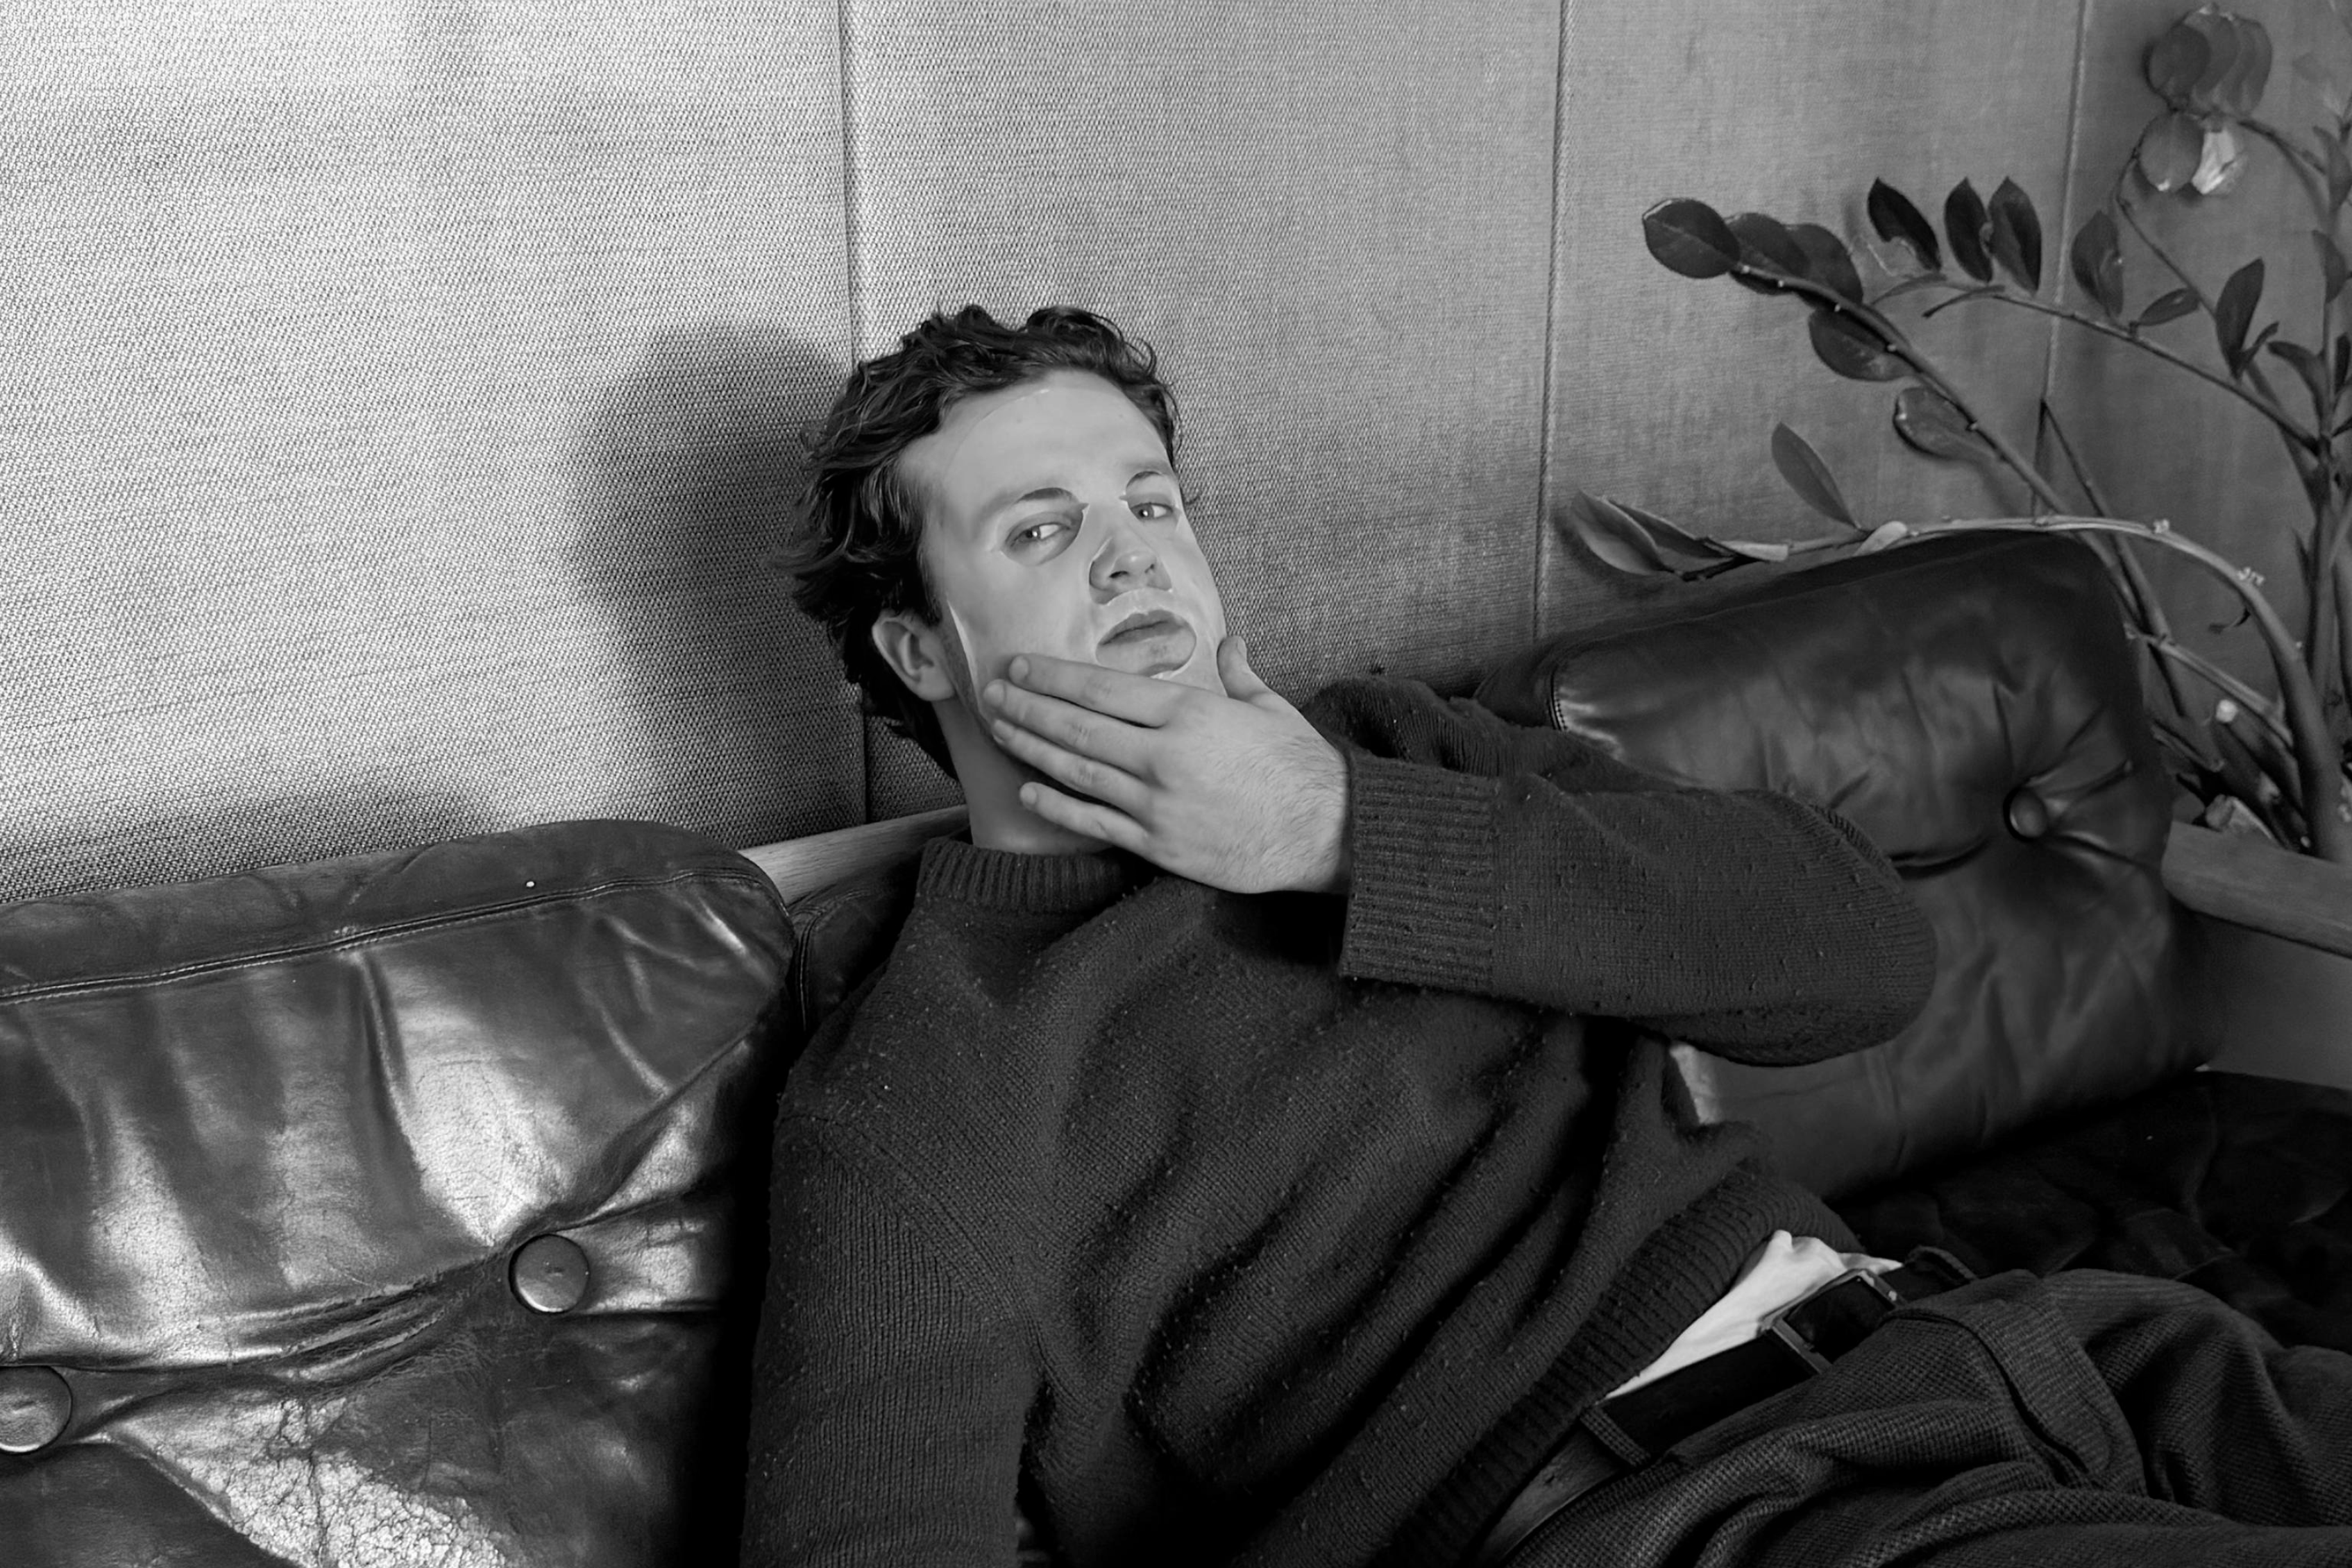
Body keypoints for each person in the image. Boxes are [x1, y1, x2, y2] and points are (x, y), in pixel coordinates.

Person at [744, 305, 2352, 1567]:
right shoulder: (924, 1081)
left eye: (1149, 499)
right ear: (920, 648)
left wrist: (1338, 832)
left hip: (2020, 1345)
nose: (1133, 552)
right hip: (1702, 1508)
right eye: (1039, 530)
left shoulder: (1391, 749)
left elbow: (1866, 959)